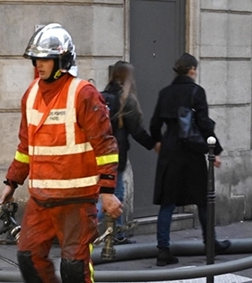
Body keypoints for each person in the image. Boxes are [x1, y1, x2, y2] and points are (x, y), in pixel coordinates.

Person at [0, 23, 122, 283]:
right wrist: (12, 183)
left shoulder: (83, 93)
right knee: (27, 257)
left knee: (73, 266)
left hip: (77, 200)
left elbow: (106, 145)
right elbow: (26, 146)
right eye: (35, 59)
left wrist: (108, 191)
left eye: (45, 59)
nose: (38, 64)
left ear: (62, 60)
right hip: (40, 199)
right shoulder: (31, 94)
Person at [149, 53, 230, 267]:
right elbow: (203, 123)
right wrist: (215, 150)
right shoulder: (196, 92)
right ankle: (210, 243)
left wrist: (157, 142)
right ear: (192, 70)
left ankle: (163, 249)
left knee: (167, 203)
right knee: (203, 201)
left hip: (169, 151)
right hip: (192, 153)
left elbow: (154, 124)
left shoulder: (165, 93)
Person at [97, 61, 156, 244]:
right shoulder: (125, 101)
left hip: (99, 155)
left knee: (112, 195)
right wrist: (154, 144)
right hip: (116, 156)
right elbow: (137, 130)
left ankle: (118, 234)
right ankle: (83, 230)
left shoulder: (102, 96)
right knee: (114, 196)